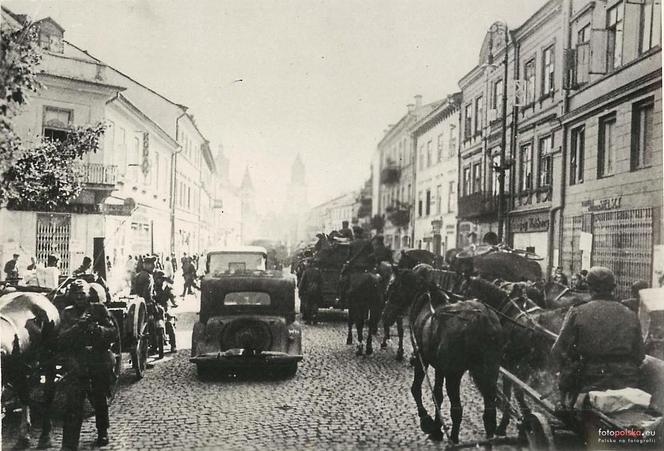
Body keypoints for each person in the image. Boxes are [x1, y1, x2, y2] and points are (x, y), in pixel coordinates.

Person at [551, 266, 645, 408]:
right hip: (627, 382)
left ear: (589, 288)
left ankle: (564, 406)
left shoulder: (578, 311)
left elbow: (557, 350)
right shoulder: (630, 314)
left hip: (588, 382)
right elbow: (640, 355)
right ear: (613, 288)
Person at [58, 279, 116, 449]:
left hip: (98, 359)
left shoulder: (99, 309)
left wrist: (98, 330)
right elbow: (61, 339)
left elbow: (113, 333)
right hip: (77, 362)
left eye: (82, 293)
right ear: (71, 297)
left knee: (99, 397)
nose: (79, 297)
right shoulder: (67, 313)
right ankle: (69, 444)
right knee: (73, 404)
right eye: (76, 294)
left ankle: (102, 431)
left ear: (88, 294)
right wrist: (78, 326)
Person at [298, 258, 323, 325]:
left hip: (308, 291)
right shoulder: (318, 271)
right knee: (315, 305)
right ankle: (315, 319)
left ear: (309, 264)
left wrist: (300, 291)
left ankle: (309, 320)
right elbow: (321, 282)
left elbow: (302, 282)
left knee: (308, 305)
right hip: (316, 290)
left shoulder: (306, 271)